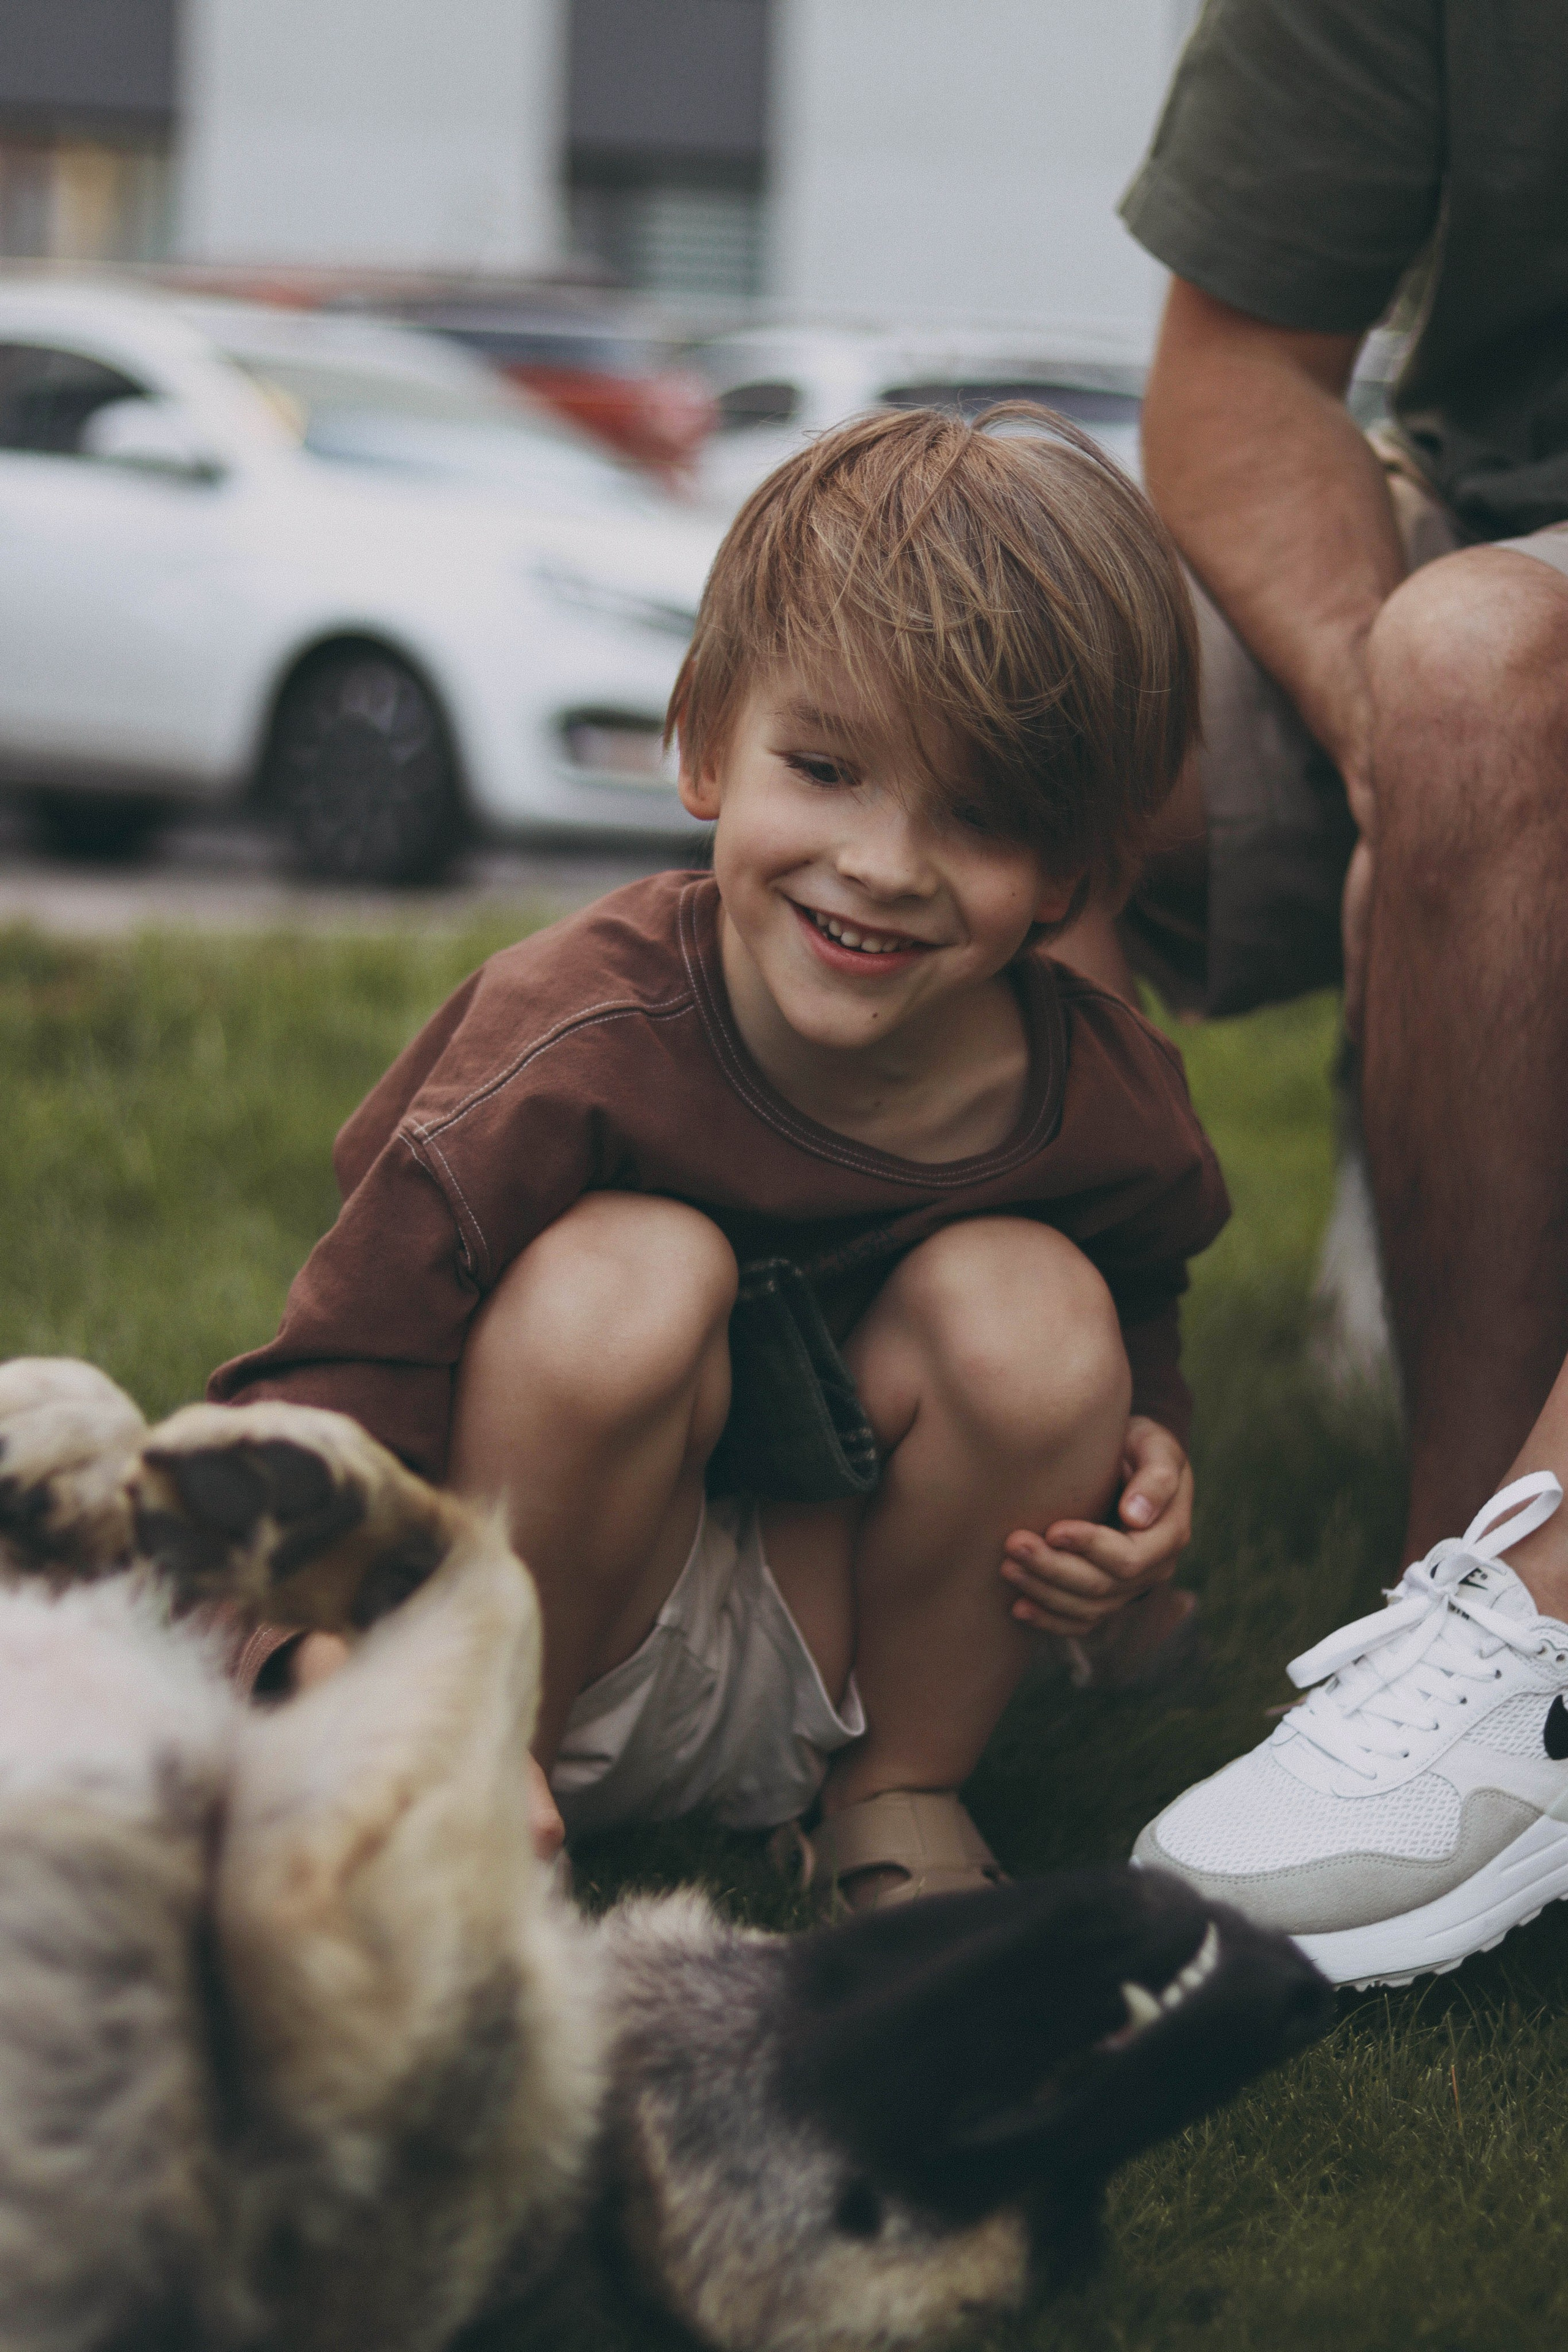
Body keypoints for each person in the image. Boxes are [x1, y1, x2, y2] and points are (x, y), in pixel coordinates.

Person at [211, 406, 1228, 1909]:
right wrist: (303, 1660)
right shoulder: (568, 1035)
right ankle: (485, 1793)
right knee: (629, 1273)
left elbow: (1137, 1299)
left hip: (841, 1655)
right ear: (700, 743)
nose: (881, 863)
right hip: (554, 1616)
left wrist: (1146, 1473)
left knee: (1039, 1305)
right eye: (824, 768)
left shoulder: (1103, 1098)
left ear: (1072, 871)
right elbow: (331, 1381)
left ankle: (893, 1802)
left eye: (977, 815)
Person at [1079, 0, 1568, 1978]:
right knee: (997, 689)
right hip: (1487, 520)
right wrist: (1408, 762)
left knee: (1476, 672)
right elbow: (1236, 375)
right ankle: (998, 1509)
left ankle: (1508, 1658)